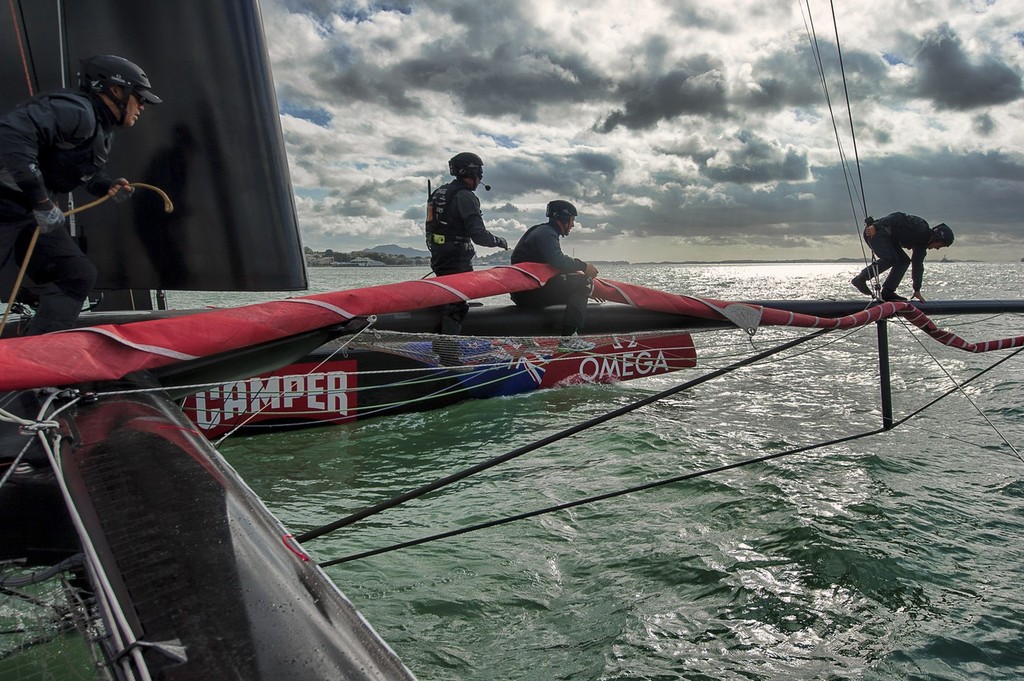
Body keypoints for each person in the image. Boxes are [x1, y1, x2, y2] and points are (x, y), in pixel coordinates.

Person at [0, 54, 161, 334]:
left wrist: (104, 185)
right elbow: (10, 136)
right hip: (9, 203)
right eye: (140, 97)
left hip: (27, 211)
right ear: (115, 91)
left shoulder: (99, 127)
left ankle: (35, 365)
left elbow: (68, 167)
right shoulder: (77, 111)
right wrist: (41, 201)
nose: (143, 106)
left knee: (75, 276)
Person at [425, 152, 507, 360]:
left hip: (439, 255)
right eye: (480, 174)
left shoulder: (439, 192)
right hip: (457, 258)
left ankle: (438, 345)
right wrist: (498, 241)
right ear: (474, 172)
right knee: (457, 305)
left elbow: (430, 226)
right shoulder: (466, 196)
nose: (480, 180)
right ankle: (449, 356)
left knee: (446, 299)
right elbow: (478, 235)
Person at [510, 200, 599, 351]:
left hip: (525, 292)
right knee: (584, 283)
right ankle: (568, 339)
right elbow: (558, 260)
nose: (573, 225)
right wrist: (584, 267)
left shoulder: (540, 230)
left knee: (579, 286)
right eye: (572, 220)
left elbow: (553, 266)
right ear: (564, 218)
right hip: (530, 294)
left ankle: (526, 333)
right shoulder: (547, 233)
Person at [850, 212, 954, 303]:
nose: (937, 249)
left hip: (888, 239)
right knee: (891, 258)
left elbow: (917, 266)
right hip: (875, 232)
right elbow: (897, 216)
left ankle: (888, 292)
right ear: (937, 238)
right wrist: (875, 226)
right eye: (940, 245)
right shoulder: (920, 226)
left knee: (903, 261)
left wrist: (916, 289)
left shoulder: (921, 246)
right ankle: (860, 279)